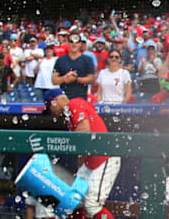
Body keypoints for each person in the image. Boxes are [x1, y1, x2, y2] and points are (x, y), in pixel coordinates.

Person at [43, 88, 120, 219]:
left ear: (55, 102)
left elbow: (84, 130)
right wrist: (80, 170)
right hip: (91, 162)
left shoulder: (73, 104)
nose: (51, 112)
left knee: (92, 205)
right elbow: (82, 147)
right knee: (74, 201)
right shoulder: (70, 114)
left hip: (104, 158)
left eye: (50, 107)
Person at [51, 34, 95, 100]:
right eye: (71, 41)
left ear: (80, 43)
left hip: (81, 99)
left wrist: (76, 79)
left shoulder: (87, 60)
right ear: (68, 43)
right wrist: (65, 78)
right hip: (64, 99)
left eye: (76, 42)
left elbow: (91, 79)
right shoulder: (60, 60)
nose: (74, 44)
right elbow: (54, 80)